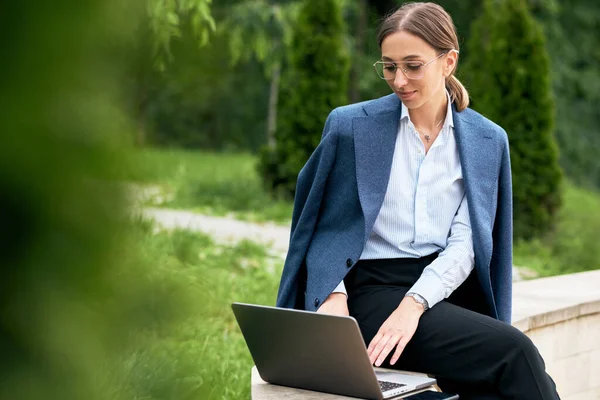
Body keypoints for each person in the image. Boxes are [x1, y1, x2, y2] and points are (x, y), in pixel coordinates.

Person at [275, 2, 561, 400]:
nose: (399, 80)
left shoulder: (486, 140)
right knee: (515, 351)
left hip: (443, 289)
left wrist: (414, 305)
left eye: (413, 65)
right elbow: (321, 226)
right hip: (370, 290)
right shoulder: (350, 126)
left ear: (448, 62)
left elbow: (467, 245)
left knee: (488, 390)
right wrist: (334, 298)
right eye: (389, 66)